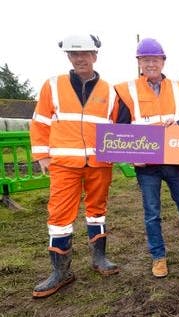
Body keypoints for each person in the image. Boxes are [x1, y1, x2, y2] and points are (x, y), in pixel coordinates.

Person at [114, 38, 179, 278]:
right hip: (147, 165)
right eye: (146, 60)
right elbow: (120, 127)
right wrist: (130, 156)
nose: (151, 64)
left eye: (155, 59)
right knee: (152, 213)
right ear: (139, 62)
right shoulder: (126, 91)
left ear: (163, 61)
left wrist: (177, 123)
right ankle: (158, 257)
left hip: (174, 160)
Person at [30, 34, 120, 298]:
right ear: (68, 57)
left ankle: (99, 259)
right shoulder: (53, 85)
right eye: (74, 54)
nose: (80, 58)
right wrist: (41, 155)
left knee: (97, 211)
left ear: (95, 56)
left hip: (99, 162)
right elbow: (40, 122)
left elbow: (117, 127)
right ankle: (61, 272)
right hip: (64, 164)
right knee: (58, 216)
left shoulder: (109, 90)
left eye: (85, 54)